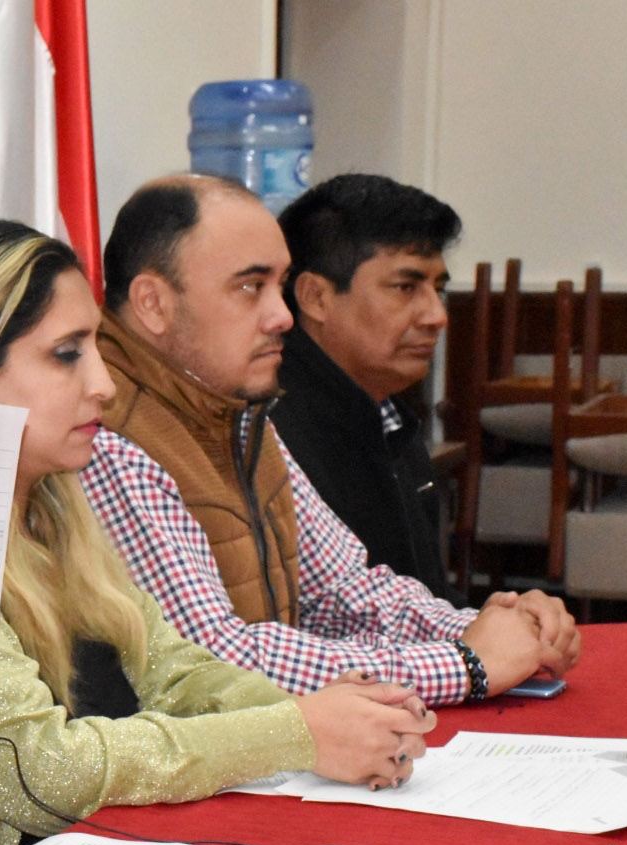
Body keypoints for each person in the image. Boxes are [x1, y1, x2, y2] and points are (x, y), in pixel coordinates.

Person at [0, 218, 433, 845]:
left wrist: (339, 718)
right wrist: (297, 733)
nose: (104, 384)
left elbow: (174, 672)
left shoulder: (57, 504)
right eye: (67, 354)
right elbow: (43, 772)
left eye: (95, 346)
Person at [82, 174, 579, 706]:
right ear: (153, 303)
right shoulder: (105, 436)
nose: (282, 315)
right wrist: (465, 663)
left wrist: (499, 626)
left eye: (279, 284)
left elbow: (340, 591)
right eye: (250, 286)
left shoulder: (236, 413)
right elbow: (214, 663)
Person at [271, 174, 458, 598]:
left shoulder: (388, 417)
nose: (437, 316)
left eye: (439, 289)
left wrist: (504, 615)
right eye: (405, 287)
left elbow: (427, 599)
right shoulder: (273, 435)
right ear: (316, 297)